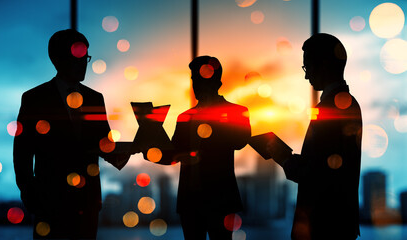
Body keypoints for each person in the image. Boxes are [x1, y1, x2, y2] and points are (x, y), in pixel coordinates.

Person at [13, 29, 133, 239]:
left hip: (87, 202)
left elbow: (103, 142)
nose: (83, 62)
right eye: (77, 55)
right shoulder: (35, 99)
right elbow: (22, 151)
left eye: (85, 56)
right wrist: (29, 193)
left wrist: (131, 148)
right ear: (57, 58)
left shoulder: (95, 98)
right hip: (49, 201)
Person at [143, 56, 251, 240]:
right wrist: (148, 150)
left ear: (218, 82)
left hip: (219, 199)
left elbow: (240, 140)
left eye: (203, 77)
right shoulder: (185, 117)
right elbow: (174, 155)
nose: (198, 84)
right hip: (192, 200)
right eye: (195, 79)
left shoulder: (237, 112)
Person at [272, 33, 362, 240]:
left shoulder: (330, 109)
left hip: (323, 222)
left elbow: (318, 172)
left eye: (308, 67)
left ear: (323, 65)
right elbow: (327, 164)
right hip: (338, 221)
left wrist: (284, 159)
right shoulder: (348, 104)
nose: (306, 76)